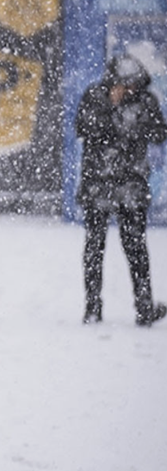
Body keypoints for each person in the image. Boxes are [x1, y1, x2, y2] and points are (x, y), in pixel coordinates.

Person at [76, 54, 167, 327]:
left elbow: (160, 133)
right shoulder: (94, 96)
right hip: (98, 184)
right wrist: (111, 110)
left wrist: (134, 122)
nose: (129, 90)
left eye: (133, 86)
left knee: (136, 248)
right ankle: (92, 307)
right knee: (95, 246)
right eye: (125, 85)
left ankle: (144, 308)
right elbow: (83, 128)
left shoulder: (145, 101)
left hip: (131, 185)